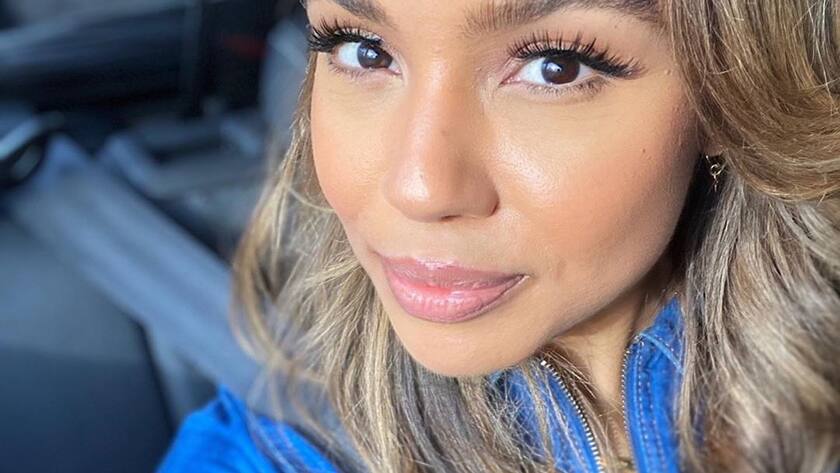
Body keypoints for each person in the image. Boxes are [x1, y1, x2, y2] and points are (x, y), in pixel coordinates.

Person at [156, 0, 840, 471]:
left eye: (556, 66)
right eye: (364, 50)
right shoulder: (263, 453)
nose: (421, 187)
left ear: (729, 95)